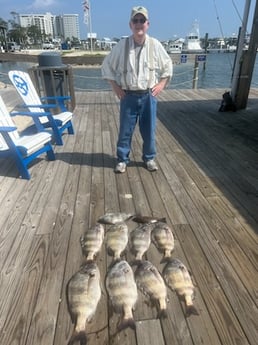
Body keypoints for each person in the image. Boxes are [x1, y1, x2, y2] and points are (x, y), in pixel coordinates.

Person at [102, 6, 173, 173]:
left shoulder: (155, 45)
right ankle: (122, 159)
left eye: (142, 20)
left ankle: (149, 158)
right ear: (130, 24)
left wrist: (162, 84)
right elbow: (106, 66)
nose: (139, 24)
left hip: (149, 95)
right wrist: (116, 87)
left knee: (149, 130)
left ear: (148, 24)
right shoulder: (122, 45)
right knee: (125, 130)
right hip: (128, 95)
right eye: (136, 20)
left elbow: (168, 64)